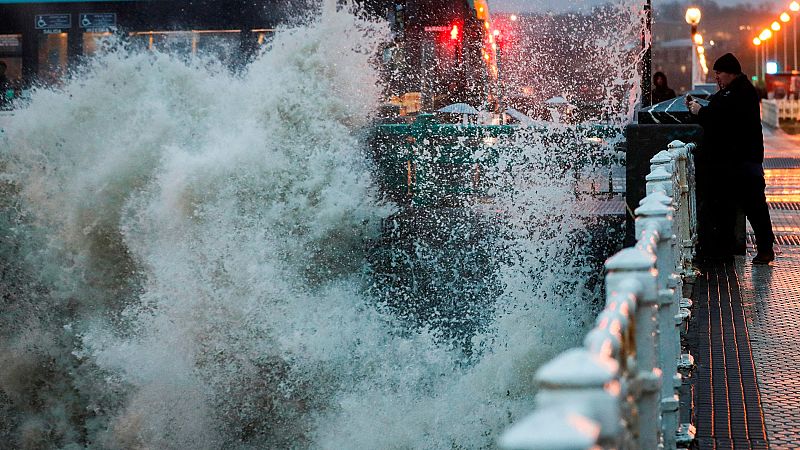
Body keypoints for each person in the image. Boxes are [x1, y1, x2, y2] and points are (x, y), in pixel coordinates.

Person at [687, 53, 775, 264]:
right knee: (742, 207)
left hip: (742, 162)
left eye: (719, 73)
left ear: (731, 73)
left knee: (752, 206)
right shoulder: (737, 91)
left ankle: (762, 249)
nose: (716, 77)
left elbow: (721, 120)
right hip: (739, 161)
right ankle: (734, 250)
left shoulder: (739, 93)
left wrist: (700, 111)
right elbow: (720, 111)